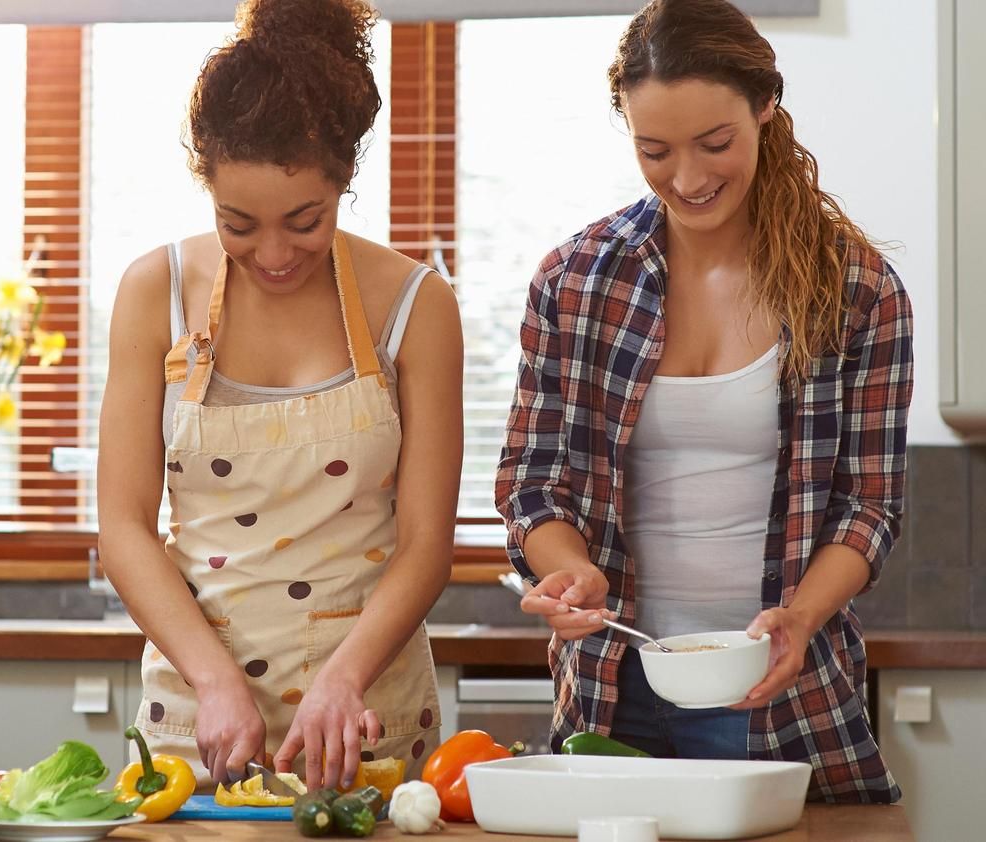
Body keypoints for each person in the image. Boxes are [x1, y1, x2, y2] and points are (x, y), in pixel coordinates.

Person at [495, 0, 911, 803]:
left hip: (778, 688)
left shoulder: (856, 289)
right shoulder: (578, 281)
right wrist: (570, 571)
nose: (687, 178)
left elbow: (870, 506)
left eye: (714, 144)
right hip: (616, 681)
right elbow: (532, 481)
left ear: (764, 106)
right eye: (655, 150)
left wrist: (797, 619)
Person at [97, 0, 462, 793]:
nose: (272, 253)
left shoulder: (416, 306)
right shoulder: (153, 292)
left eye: (306, 221)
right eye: (237, 224)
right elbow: (124, 527)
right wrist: (216, 682)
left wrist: (343, 679)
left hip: (366, 717)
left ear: (345, 178)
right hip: (196, 721)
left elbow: (427, 542)